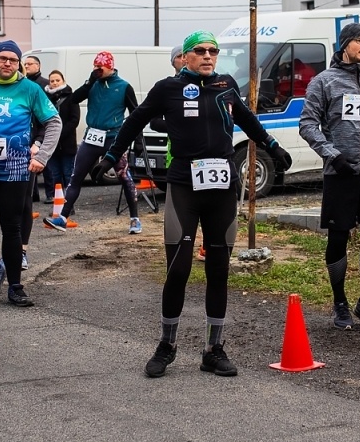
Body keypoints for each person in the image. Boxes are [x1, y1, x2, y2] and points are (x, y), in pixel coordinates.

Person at [106, 31, 291, 378]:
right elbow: (135, 121)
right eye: (200, 50)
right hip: (184, 187)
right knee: (178, 269)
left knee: (218, 270)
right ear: (185, 56)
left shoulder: (226, 85)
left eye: (213, 51)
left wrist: (272, 145)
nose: (208, 56)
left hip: (222, 187)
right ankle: (167, 345)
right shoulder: (168, 88)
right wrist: (112, 155)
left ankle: (213, 349)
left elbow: (247, 119)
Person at [299, 22, 360, 332]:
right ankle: (339, 301)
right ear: (344, 45)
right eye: (359, 40)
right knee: (338, 238)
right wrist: (332, 155)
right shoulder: (323, 81)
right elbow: (307, 124)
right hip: (341, 172)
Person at [0, 41, 60, 308]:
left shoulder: (30, 89)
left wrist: (42, 156)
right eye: (2, 58)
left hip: (16, 169)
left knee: (12, 228)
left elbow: (53, 122)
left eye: (13, 59)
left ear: (19, 63)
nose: (7, 63)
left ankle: (16, 287)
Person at [48, 51, 142, 233]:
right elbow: (73, 99)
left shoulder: (124, 86)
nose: (97, 70)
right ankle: (62, 217)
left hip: (113, 137)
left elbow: (136, 114)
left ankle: (134, 219)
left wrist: (138, 140)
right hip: (92, 136)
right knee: (76, 176)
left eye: (100, 67)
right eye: (94, 67)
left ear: (110, 67)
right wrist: (89, 82)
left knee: (124, 176)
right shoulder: (92, 84)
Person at [46, 70, 79, 205]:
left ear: (63, 81)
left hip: (67, 143)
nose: (54, 83)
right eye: (52, 81)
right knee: (55, 175)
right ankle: (58, 203)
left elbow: (74, 119)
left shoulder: (71, 97)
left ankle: (69, 203)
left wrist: (59, 133)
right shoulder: (46, 98)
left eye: (57, 80)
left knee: (68, 173)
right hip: (51, 145)